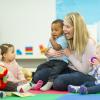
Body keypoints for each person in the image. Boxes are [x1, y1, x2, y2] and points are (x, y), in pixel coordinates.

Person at [33, 12, 96, 91]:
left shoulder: (89, 43)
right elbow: (59, 61)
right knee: (39, 76)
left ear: (76, 28)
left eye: (67, 27)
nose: (64, 29)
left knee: (58, 82)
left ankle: (85, 85)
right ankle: (56, 84)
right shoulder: (68, 40)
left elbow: (85, 70)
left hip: (84, 75)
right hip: (67, 69)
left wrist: (70, 55)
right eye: (64, 26)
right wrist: (50, 54)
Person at [33, 19, 68, 91]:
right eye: (52, 30)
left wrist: (52, 40)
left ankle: (49, 83)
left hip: (61, 62)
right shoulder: (52, 39)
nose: (53, 32)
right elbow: (48, 50)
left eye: (56, 30)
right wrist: (46, 51)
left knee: (55, 71)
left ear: (62, 30)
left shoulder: (63, 39)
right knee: (40, 66)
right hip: (52, 60)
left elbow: (57, 47)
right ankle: (33, 82)